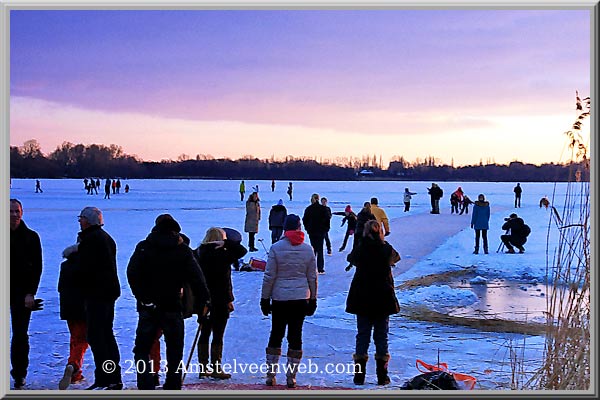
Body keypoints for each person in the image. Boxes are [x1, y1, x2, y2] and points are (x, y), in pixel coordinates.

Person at [127, 214, 211, 390]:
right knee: (175, 350)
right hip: (173, 305)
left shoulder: (144, 247)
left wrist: (143, 297)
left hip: (148, 307)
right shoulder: (182, 250)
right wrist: (204, 302)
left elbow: (132, 273)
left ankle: (145, 382)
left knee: (142, 349)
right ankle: (172, 384)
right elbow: (198, 280)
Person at [260, 214, 318, 388]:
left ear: (285, 228)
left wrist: (264, 298)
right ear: (299, 227)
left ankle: (271, 374)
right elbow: (312, 277)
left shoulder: (276, 248)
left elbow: (269, 276)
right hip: (300, 298)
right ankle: (291, 377)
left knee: (276, 333)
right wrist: (313, 298)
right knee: (295, 336)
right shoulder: (308, 250)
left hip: (280, 298)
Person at [346, 220, 400, 386]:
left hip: (362, 297)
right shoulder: (386, 249)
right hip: (382, 297)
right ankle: (382, 376)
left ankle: (359, 376)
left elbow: (351, 258)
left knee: (363, 335)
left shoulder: (361, 248)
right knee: (381, 336)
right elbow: (395, 258)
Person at [75, 206, 123, 390]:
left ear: (87, 220)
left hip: (97, 295)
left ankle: (108, 378)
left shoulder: (92, 240)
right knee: (105, 336)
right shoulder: (104, 238)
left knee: (99, 338)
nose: (79, 221)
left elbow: (86, 269)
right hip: (105, 294)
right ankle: (110, 377)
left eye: (81, 218)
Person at [193, 227, 248, 379]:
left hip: (203, 300)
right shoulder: (222, 254)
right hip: (220, 299)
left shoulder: (197, 253)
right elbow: (242, 251)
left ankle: (203, 367)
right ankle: (216, 367)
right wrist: (227, 243)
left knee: (204, 333)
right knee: (218, 335)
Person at [10, 199, 43, 389]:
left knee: (20, 335)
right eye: (10, 211)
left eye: (17, 211)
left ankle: (19, 374)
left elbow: (36, 268)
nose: (14, 215)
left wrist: (31, 293)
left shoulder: (31, 237)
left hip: (22, 294)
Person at [58, 244, 89, 389]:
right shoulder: (87, 265)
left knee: (75, 339)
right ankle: (73, 364)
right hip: (84, 309)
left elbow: (60, 288)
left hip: (68, 309)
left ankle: (75, 375)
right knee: (83, 340)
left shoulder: (65, 266)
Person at [302, 193, 330, 274]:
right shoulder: (323, 209)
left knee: (313, 250)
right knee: (320, 249)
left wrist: (308, 229)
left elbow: (305, 220)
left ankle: (312, 267)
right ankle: (320, 268)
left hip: (312, 232)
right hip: (321, 232)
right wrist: (326, 229)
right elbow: (327, 219)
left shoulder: (309, 209)